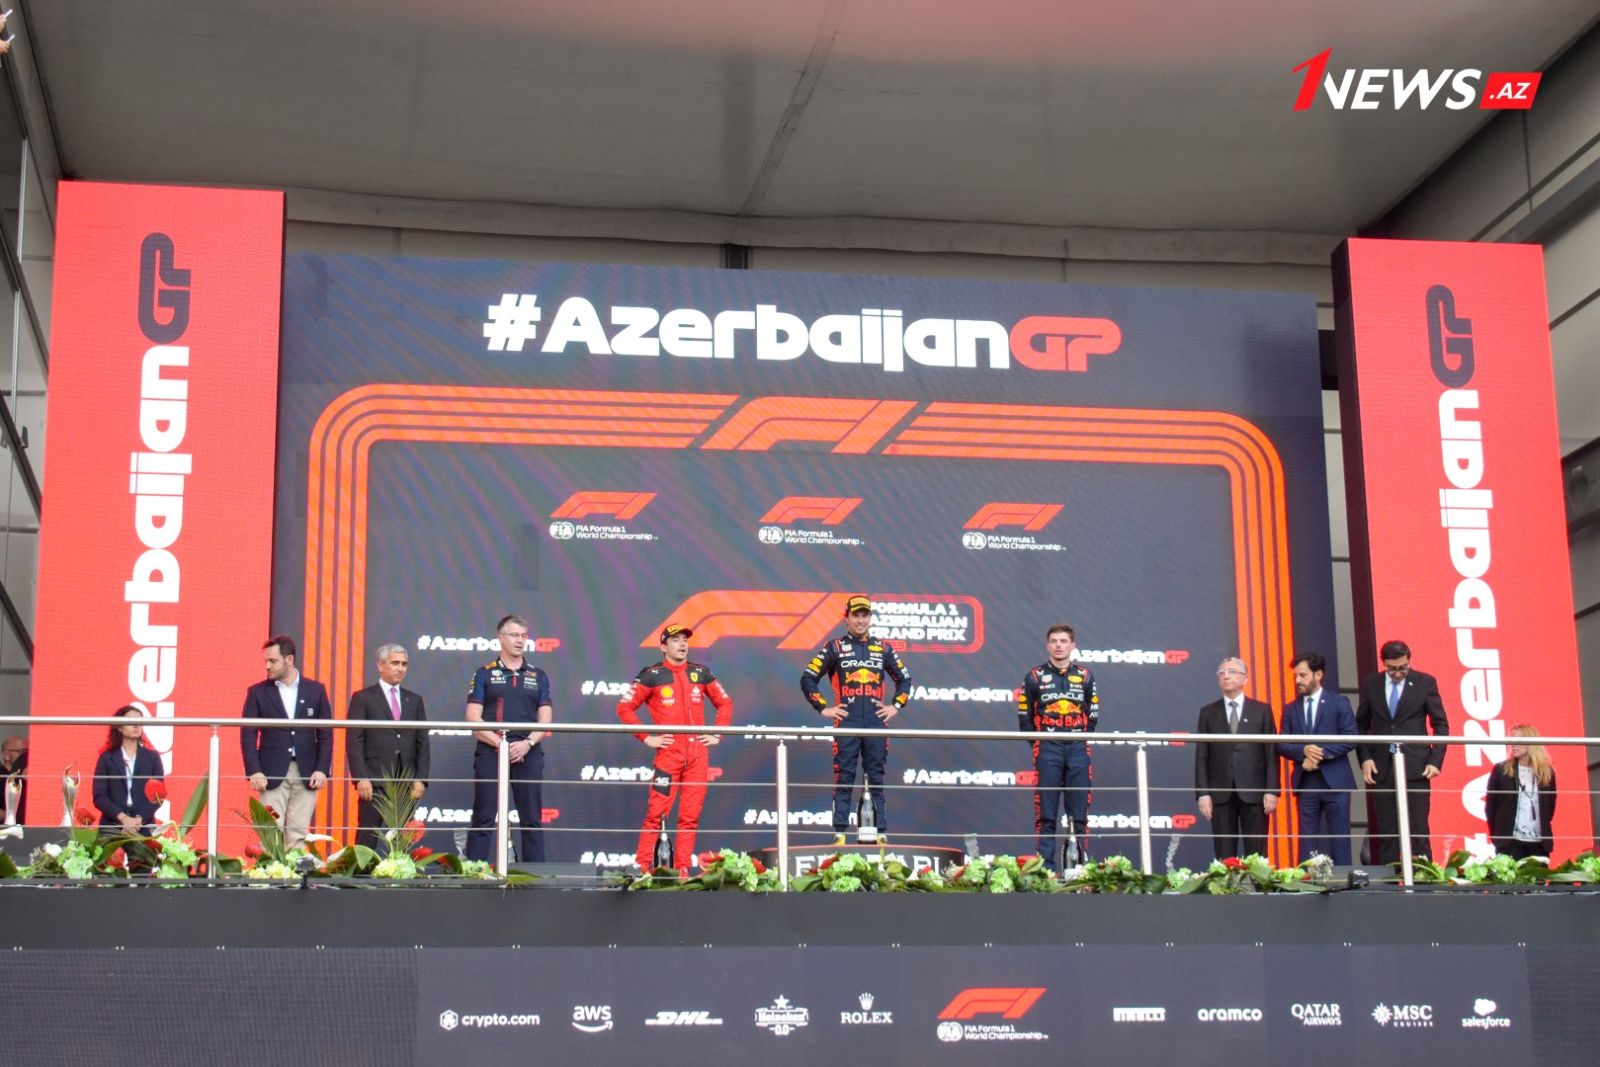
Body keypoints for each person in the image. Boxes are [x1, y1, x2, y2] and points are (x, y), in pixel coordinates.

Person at [617, 624, 735, 872]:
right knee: (656, 814)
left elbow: (725, 703)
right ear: (663, 647)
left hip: (698, 756)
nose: (682, 644)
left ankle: (682, 873)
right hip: (669, 755)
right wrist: (646, 737)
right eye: (675, 640)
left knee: (689, 818)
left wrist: (717, 733)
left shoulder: (700, 673)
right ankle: (643, 870)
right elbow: (624, 708)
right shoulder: (652, 675)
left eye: (685, 640)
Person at [800, 595, 911, 845]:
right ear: (846, 618)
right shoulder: (835, 647)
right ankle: (840, 833)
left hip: (876, 723)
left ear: (870, 618)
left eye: (865, 615)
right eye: (856, 615)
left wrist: (896, 705)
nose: (861, 620)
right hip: (847, 723)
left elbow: (905, 678)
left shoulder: (883, 648)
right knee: (844, 777)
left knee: (876, 778)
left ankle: (880, 834)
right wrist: (823, 707)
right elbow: (808, 678)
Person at [465, 614, 552, 865]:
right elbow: (472, 718)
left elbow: (546, 720)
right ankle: (474, 873)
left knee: (531, 817)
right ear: (501, 638)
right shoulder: (484, 673)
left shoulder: (538, 675)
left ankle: (535, 876)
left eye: (524, 636)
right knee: (484, 815)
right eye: (514, 635)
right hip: (492, 749)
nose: (520, 640)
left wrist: (527, 743)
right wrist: (500, 744)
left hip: (528, 751)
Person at [1355, 640, 1448, 865]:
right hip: (1381, 766)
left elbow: (1441, 724)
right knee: (1387, 830)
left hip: (1416, 766)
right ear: (1384, 664)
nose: (1397, 673)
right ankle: (1390, 880)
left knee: (1418, 829)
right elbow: (1360, 724)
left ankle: (1423, 877)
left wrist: (1435, 760)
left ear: (1409, 661)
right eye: (1392, 669)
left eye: (1403, 668)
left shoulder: (1425, 682)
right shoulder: (1371, 684)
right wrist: (1365, 758)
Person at [1017, 623, 1100, 868]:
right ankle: (1046, 869)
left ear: (1073, 645)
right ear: (1047, 645)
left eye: (1063, 641)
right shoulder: (1034, 677)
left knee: (1079, 814)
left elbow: (1092, 715)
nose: (1058, 646)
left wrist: (1078, 737)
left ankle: (1078, 868)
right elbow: (1024, 719)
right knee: (1046, 813)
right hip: (1047, 748)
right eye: (1054, 641)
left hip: (1078, 748)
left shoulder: (1085, 676)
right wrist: (1040, 743)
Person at [240, 635, 334, 849]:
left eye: (272, 661)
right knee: (269, 835)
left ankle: (295, 872)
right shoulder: (257, 692)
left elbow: (326, 733)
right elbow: (247, 734)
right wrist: (255, 770)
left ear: (289, 659)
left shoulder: (316, 690)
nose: (267, 666)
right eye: (266, 661)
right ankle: (270, 872)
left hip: (307, 772)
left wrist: (322, 769)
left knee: (298, 835)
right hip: (270, 773)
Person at [345, 643, 431, 852]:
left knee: (404, 840)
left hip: (406, 783)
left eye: (404, 664)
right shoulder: (363, 698)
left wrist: (420, 778)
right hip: (374, 781)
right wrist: (361, 778)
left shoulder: (414, 700)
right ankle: (362, 872)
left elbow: (422, 741)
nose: (400, 668)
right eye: (395, 663)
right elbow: (354, 740)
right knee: (367, 837)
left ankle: (400, 872)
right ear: (380, 665)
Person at [1194, 657, 1279, 860]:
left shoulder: (1262, 710)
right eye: (1221, 672)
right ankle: (1226, 882)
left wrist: (1272, 790)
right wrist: (1203, 794)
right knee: (1224, 853)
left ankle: (1256, 882)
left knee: (1257, 853)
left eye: (1232, 671)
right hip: (1220, 792)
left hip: (1254, 791)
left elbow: (1271, 752)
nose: (1226, 676)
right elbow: (1202, 755)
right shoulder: (1208, 712)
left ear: (1245, 679)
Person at [1275, 652, 1356, 864]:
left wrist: (1319, 753)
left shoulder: (1339, 703)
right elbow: (1282, 744)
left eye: (1303, 675)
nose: (1297, 680)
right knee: (1307, 840)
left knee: (1340, 839)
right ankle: (1305, 880)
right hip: (1306, 782)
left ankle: (1343, 880)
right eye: (1296, 675)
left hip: (1335, 782)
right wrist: (1304, 751)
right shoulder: (1290, 708)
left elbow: (1350, 738)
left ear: (1318, 675)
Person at [1483, 724, 1557, 860]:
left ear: (1531, 742)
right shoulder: (1501, 770)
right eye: (1511, 740)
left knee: (1538, 874)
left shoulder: (1547, 772)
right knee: (1510, 874)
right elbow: (1490, 808)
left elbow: (1550, 808)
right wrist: (1499, 837)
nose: (1513, 745)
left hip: (1539, 844)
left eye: (1517, 740)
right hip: (1510, 843)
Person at [91, 706, 165, 835]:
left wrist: (138, 819)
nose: (136, 725)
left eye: (140, 721)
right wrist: (123, 818)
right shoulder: (106, 758)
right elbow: (99, 796)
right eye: (131, 721)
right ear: (119, 727)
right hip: (112, 825)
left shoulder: (152, 757)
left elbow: (158, 796)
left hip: (143, 826)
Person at [1, 733, 26, 825]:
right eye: (22, 752)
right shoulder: (2, 776)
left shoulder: (25, 778)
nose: (26, 757)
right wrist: (12, 816)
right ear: (6, 754)